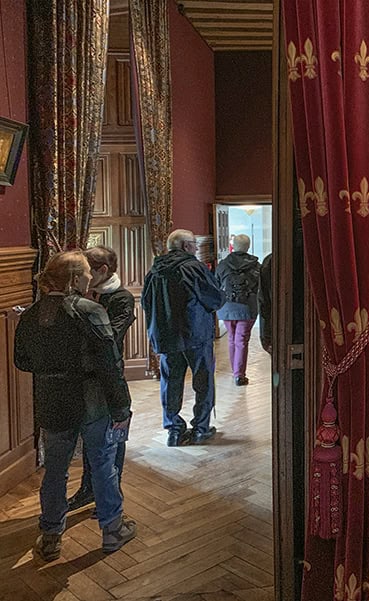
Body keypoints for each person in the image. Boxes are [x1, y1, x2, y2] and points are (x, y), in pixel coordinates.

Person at [14, 251, 136, 561]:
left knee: (55, 469)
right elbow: (110, 363)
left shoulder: (30, 314)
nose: (87, 279)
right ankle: (112, 530)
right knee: (103, 464)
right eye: (83, 274)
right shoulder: (90, 310)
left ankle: (52, 533)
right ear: (74, 279)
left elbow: (22, 360)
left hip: (52, 398)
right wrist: (121, 407)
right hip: (92, 399)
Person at [67, 245, 136, 512]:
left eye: (86, 270)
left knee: (113, 438)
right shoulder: (81, 295)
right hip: (83, 377)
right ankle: (88, 489)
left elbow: (110, 338)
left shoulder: (122, 298)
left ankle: (110, 492)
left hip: (109, 377)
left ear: (102, 271)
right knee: (90, 438)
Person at [141, 229, 225, 447]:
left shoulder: (155, 270)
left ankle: (174, 431)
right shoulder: (193, 268)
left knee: (170, 382)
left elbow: (145, 303)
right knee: (203, 381)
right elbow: (214, 298)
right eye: (194, 245)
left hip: (166, 336)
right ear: (186, 246)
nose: (197, 249)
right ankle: (200, 428)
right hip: (195, 334)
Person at [216, 234, 261, 385]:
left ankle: (235, 371)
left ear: (233, 246)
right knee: (241, 340)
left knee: (231, 338)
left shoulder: (222, 264)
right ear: (248, 246)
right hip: (247, 307)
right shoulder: (255, 265)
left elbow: (216, 284)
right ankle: (239, 374)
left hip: (226, 307)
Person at [258, 253, 273, 355]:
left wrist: (266, 337)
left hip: (274, 321)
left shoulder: (270, 261)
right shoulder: (269, 262)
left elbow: (264, 301)